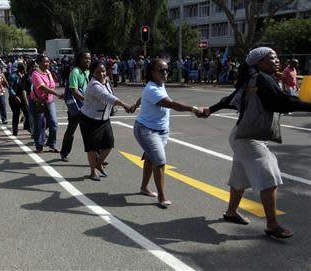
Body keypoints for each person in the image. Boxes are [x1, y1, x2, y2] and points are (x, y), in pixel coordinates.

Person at [201, 47, 311, 239]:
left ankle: (231, 212)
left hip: (242, 134)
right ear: (259, 62)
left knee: (239, 178)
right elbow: (282, 102)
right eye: (272, 58)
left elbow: (230, 99)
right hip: (246, 137)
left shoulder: (254, 79)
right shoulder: (261, 79)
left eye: (277, 57)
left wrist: (211, 109)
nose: (277, 60)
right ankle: (272, 225)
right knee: (269, 176)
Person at [131, 58, 203, 208]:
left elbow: (143, 96)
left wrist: (136, 104)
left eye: (166, 70)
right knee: (160, 161)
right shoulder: (152, 89)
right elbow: (171, 104)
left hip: (162, 130)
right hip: (146, 130)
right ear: (152, 72)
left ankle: (144, 188)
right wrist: (193, 109)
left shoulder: (158, 85)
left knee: (151, 159)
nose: (165, 73)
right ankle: (162, 198)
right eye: (161, 70)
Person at [79, 61, 132, 181]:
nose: (102, 74)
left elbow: (111, 93)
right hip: (89, 119)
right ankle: (92, 172)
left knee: (109, 144)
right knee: (91, 147)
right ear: (93, 73)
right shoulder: (94, 86)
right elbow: (108, 97)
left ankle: (99, 163)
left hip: (104, 119)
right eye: (98, 72)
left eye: (103, 71)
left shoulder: (106, 81)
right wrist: (124, 104)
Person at [60, 51, 91, 162]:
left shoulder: (87, 72)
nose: (88, 60)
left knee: (90, 132)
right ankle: (64, 153)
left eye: (89, 58)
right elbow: (74, 90)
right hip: (76, 107)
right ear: (79, 60)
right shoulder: (75, 72)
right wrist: (86, 99)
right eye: (85, 58)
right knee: (71, 131)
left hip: (86, 106)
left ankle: (96, 157)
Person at [30, 55, 64, 153]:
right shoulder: (35, 74)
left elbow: (52, 85)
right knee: (40, 124)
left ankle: (51, 144)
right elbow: (42, 87)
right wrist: (57, 94)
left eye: (48, 61)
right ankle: (39, 145)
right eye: (45, 62)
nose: (47, 64)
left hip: (49, 101)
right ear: (39, 63)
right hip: (38, 102)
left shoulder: (48, 72)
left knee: (54, 123)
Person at [8, 63, 30, 135]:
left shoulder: (25, 76)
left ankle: (28, 127)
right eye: (24, 69)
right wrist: (15, 96)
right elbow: (10, 88)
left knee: (27, 113)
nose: (25, 71)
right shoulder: (13, 76)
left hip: (23, 97)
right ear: (21, 69)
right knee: (16, 114)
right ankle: (15, 130)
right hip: (15, 98)